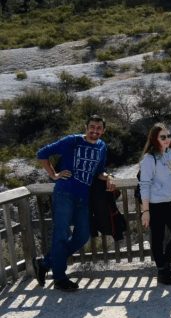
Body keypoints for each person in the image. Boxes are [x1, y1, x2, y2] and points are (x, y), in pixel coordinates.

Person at [34, 114, 113, 291]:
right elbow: (42, 154)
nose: (95, 131)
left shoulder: (101, 146)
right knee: (61, 234)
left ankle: (46, 262)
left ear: (103, 130)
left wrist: (109, 177)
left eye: (99, 128)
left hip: (83, 197)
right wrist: (54, 175)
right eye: (92, 127)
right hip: (65, 193)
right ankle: (60, 279)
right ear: (86, 127)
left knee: (83, 235)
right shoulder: (73, 140)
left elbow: (99, 171)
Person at [139, 123, 171, 286]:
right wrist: (146, 211)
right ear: (154, 139)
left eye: (168, 136)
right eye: (162, 137)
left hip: (170, 203)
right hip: (155, 205)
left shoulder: (170, 152)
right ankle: (163, 271)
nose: (167, 140)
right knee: (157, 239)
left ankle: (163, 267)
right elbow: (144, 184)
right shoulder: (149, 159)